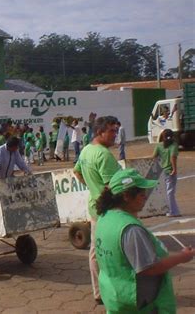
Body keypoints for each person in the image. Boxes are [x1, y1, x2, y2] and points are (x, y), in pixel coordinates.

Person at [95, 168, 194, 313]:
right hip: (141, 304)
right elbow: (149, 268)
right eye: (141, 194)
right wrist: (182, 257)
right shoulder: (130, 229)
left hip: (115, 296)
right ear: (126, 196)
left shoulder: (105, 217)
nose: (145, 197)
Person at [73, 116, 121, 304]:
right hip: (108, 210)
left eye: (116, 131)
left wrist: (93, 188)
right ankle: (111, 291)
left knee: (96, 250)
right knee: (110, 251)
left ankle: (98, 292)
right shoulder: (103, 155)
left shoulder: (86, 150)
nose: (115, 135)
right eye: (111, 131)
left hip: (95, 207)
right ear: (100, 132)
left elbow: (76, 171)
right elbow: (112, 187)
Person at [152, 129, 181, 217]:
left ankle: (175, 210)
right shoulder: (174, 145)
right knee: (170, 191)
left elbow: (154, 157)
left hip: (162, 171)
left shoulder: (159, 146)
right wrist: (174, 169)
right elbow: (173, 157)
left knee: (168, 191)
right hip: (170, 170)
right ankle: (172, 211)